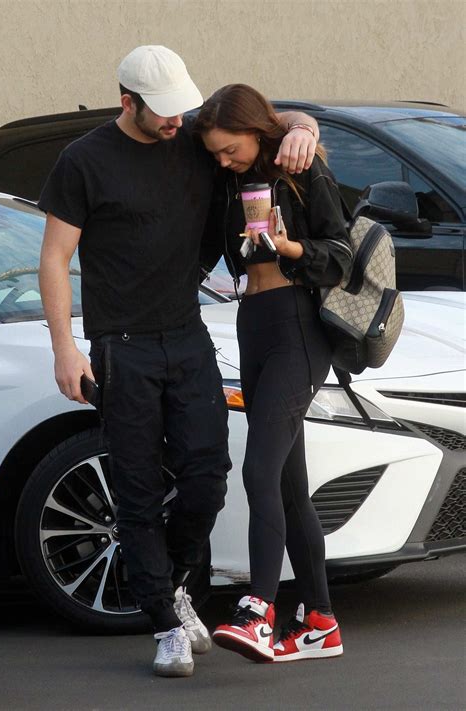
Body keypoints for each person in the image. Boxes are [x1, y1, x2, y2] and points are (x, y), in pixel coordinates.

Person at [38, 47, 320, 677]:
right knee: (136, 491)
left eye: (180, 112)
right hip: (122, 346)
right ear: (126, 101)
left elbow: (270, 119)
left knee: (206, 477)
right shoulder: (83, 161)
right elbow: (55, 256)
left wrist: (305, 130)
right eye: (162, 113)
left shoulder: (195, 136)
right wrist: (66, 347)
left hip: (187, 337)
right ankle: (165, 623)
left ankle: (178, 589)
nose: (175, 123)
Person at [193, 84, 353, 663]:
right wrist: (299, 121)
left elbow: (338, 256)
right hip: (252, 325)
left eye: (230, 150)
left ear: (256, 133)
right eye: (214, 153)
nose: (222, 160)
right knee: (289, 488)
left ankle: (258, 610)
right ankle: (320, 624)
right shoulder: (230, 178)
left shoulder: (302, 171)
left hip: (297, 327)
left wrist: (288, 246)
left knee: (259, 469)